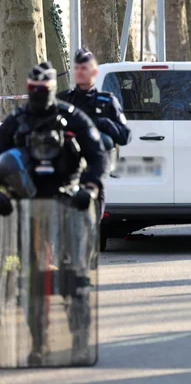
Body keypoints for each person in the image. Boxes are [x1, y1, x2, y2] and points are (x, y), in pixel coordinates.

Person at [0, 62, 109, 365]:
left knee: (74, 275)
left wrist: (91, 187)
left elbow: (98, 156)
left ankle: (79, 341)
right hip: (26, 209)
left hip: (69, 204)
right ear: (27, 88)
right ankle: (39, 344)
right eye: (33, 90)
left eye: (44, 90)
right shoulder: (16, 120)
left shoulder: (73, 117)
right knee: (32, 280)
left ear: (51, 89)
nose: (38, 95)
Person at [58, 48, 132, 222]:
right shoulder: (63, 100)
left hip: (93, 170)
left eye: (84, 68)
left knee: (89, 226)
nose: (79, 72)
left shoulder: (106, 101)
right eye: (77, 68)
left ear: (94, 72)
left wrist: (102, 123)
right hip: (66, 170)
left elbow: (125, 136)